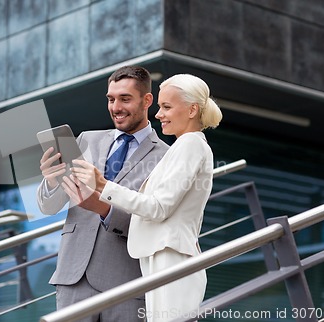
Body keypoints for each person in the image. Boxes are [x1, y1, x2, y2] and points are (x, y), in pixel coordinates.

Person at [65, 74, 222, 321]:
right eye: (160, 107)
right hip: (161, 256)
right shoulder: (185, 146)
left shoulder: (189, 144)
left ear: (192, 110)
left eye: (167, 107)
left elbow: (158, 207)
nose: (158, 114)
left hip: (170, 258)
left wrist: (102, 185)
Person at [37, 66, 169, 321]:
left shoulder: (166, 157)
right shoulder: (86, 139)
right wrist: (51, 181)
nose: (115, 107)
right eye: (111, 99)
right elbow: (49, 207)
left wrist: (103, 208)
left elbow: (156, 220)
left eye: (125, 99)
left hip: (126, 284)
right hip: (72, 279)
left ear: (147, 100)